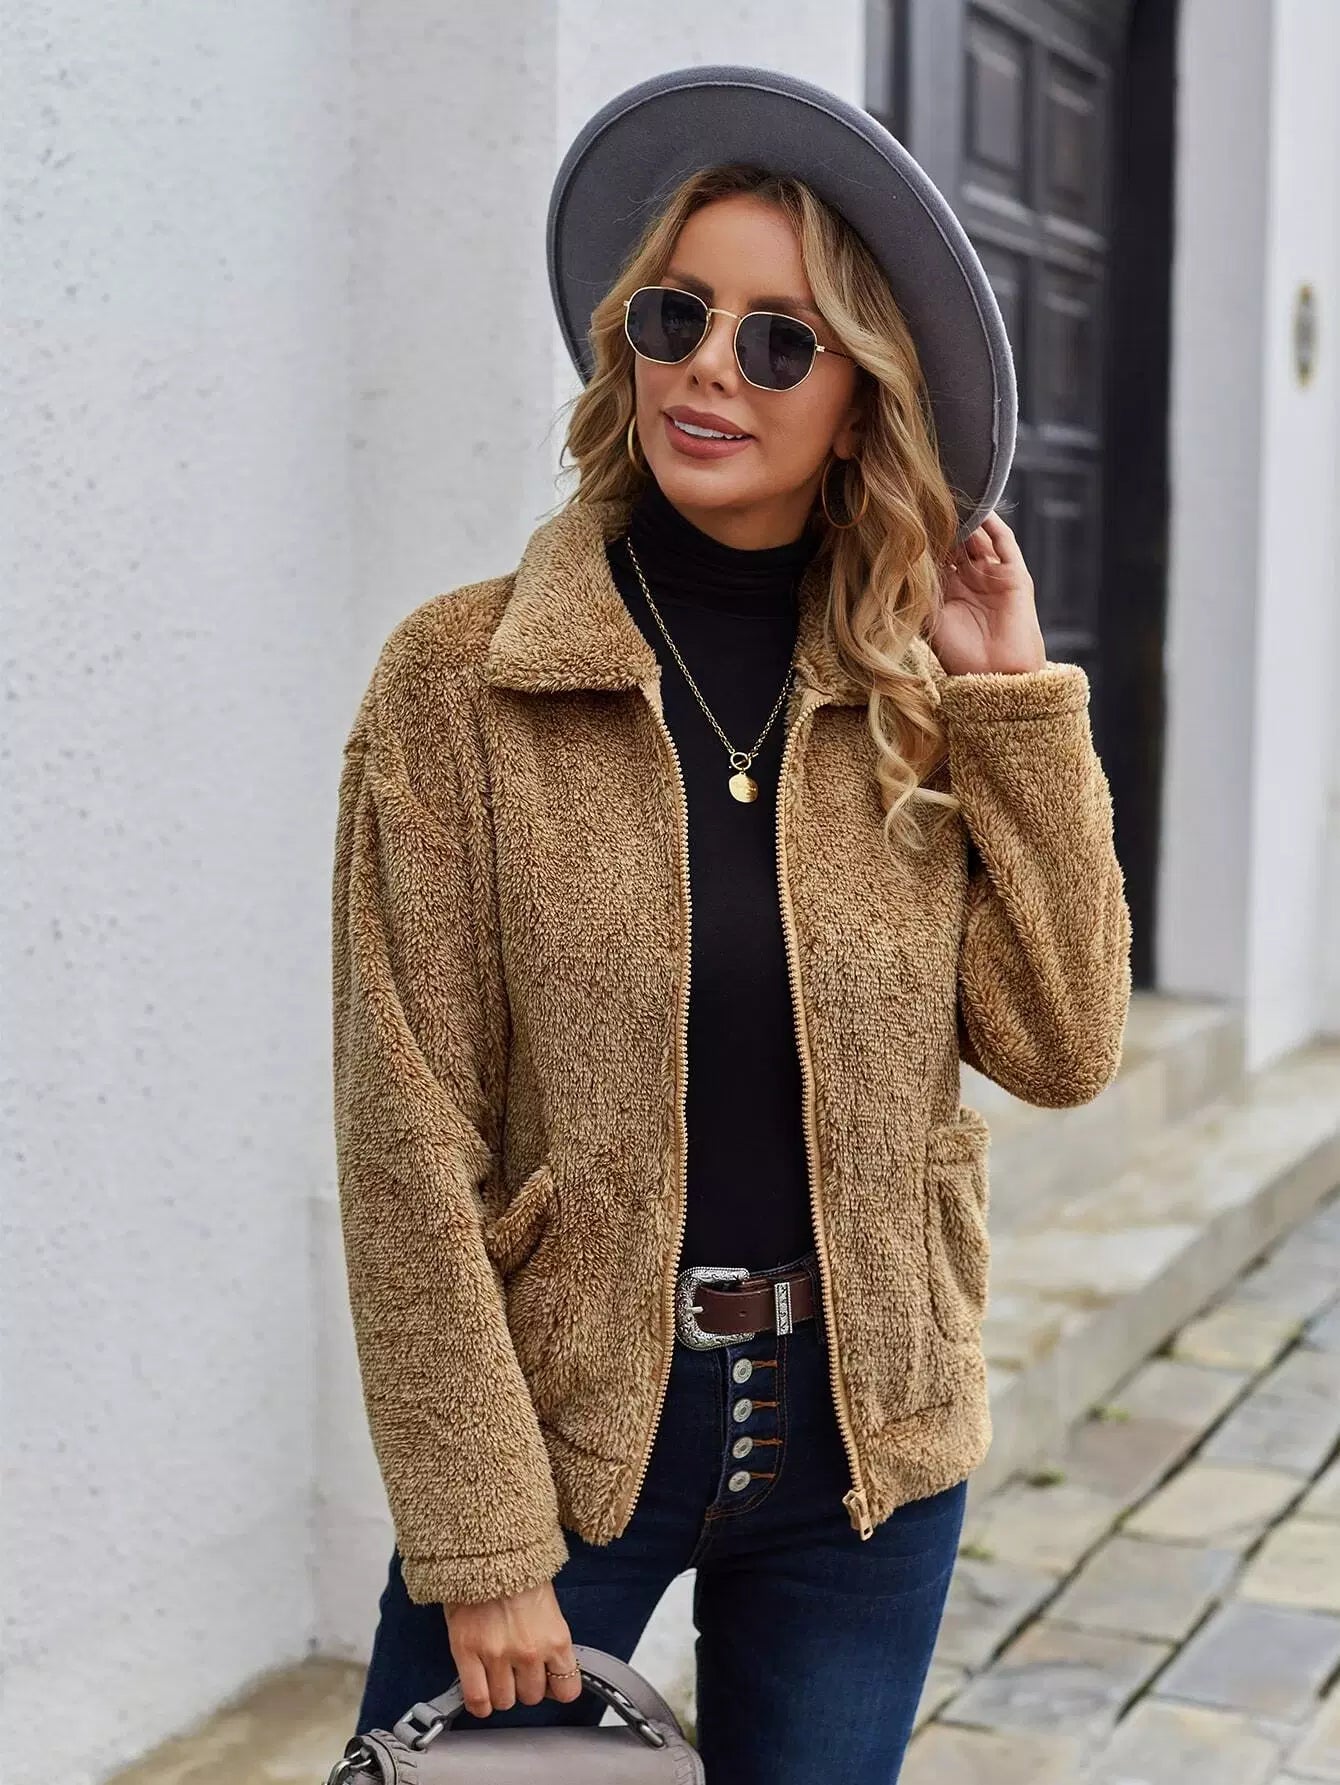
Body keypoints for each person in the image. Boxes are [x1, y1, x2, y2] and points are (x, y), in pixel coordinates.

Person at [332, 69, 1131, 1785]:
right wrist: (483, 1538)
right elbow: (407, 1136)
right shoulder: (461, 682)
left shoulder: (908, 697)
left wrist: (1013, 705)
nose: (713, 366)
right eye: (678, 315)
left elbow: (1066, 1043)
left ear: (859, 403)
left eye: (782, 341)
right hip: (564, 1449)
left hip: (864, 1447)